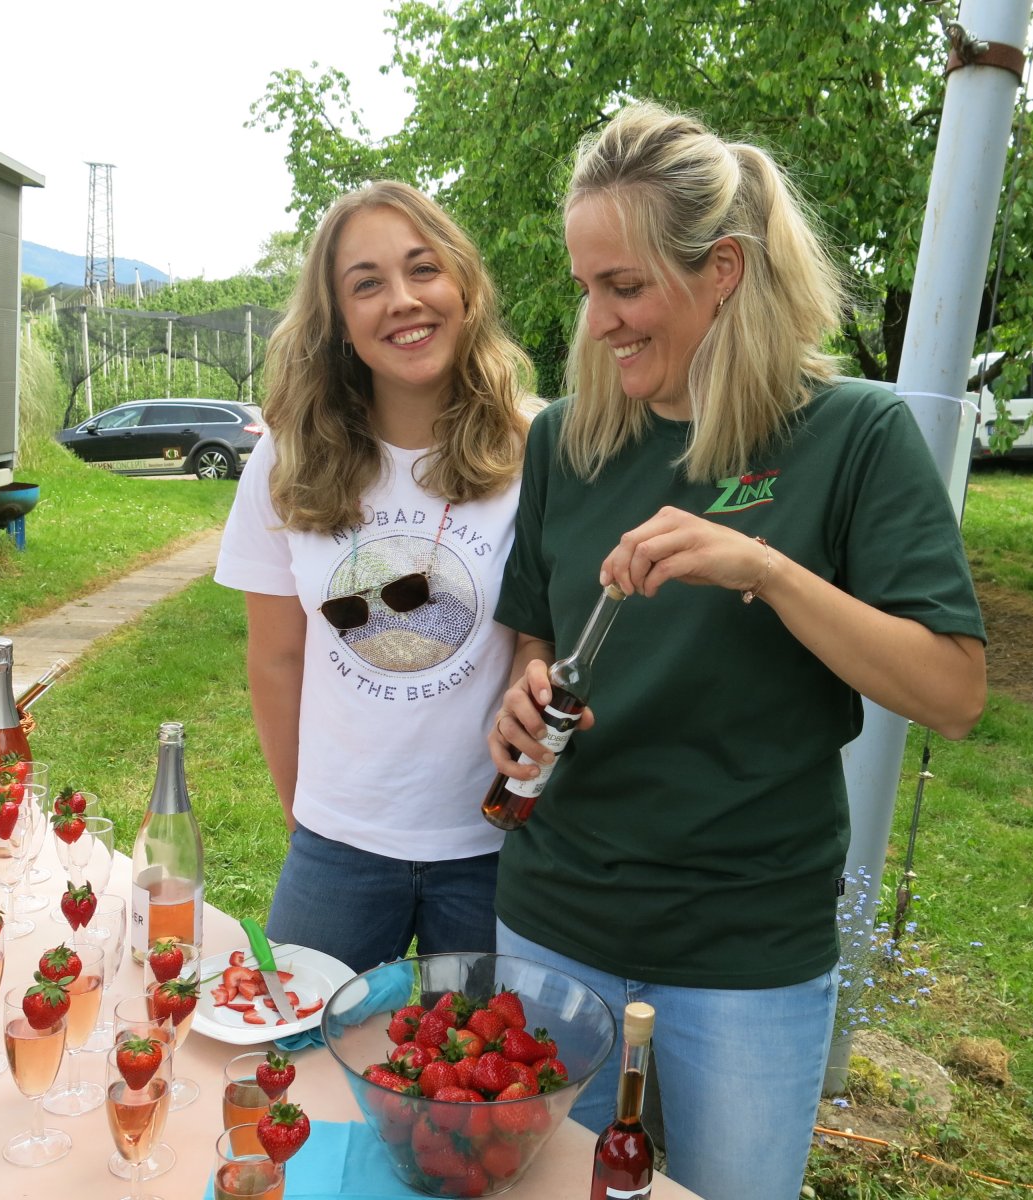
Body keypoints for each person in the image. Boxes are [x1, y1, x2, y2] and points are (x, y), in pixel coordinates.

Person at [488, 103, 987, 1199]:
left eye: (625, 287)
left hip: (745, 948)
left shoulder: (854, 434)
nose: (601, 319)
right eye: (586, 287)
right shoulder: (565, 441)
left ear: (721, 269)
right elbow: (538, 624)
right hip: (555, 915)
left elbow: (950, 691)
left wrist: (764, 568)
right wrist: (527, 682)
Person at [216, 181, 535, 974]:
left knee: (488, 1087)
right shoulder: (287, 458)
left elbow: (542, 641)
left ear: (462, 286)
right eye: (366, 283)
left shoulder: (539, 448)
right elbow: (276, 657)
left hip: (494, 846)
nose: (402, 301)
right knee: (303, 1070)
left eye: (423, 270)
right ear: (337, 320)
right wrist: (306, 814)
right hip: (340, 848)